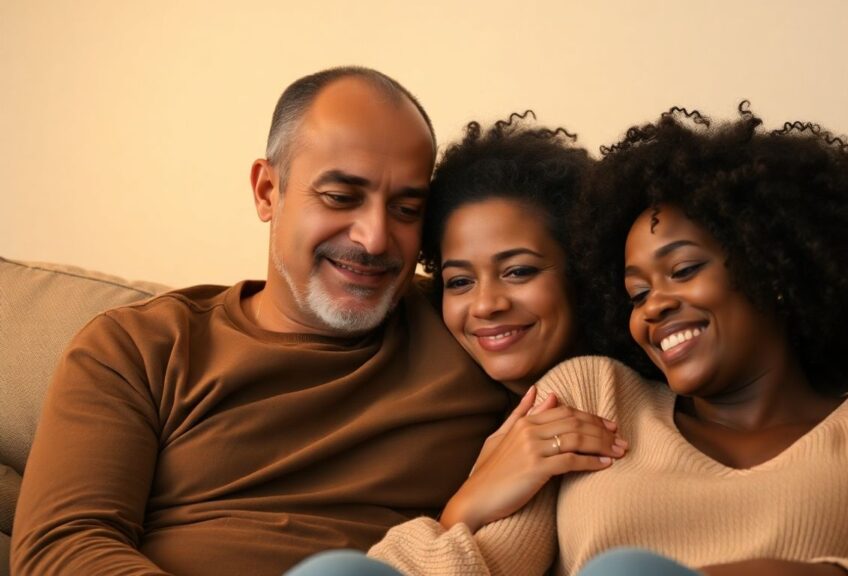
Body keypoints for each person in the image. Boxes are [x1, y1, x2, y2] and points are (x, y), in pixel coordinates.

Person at [357, 105, 848, 575]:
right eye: (636, 292)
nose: (655, 306)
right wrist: (440, 526)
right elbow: (488, 564)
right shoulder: (594, 393)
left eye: (683, 270)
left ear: (775, 267)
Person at [11, 67, 514, 576]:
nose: (375, 238)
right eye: (341, 198)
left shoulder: (472, 324)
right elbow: (62, 548)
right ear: (268, 191)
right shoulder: (139, 347)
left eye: (406, 209)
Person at [286, 115, 630, 575]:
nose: (486, 304)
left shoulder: (609, 390)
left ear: (582, 269)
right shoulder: (485, 402)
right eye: (460, 281)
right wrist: (470, 501)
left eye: (519, 271)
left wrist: (463, 508)